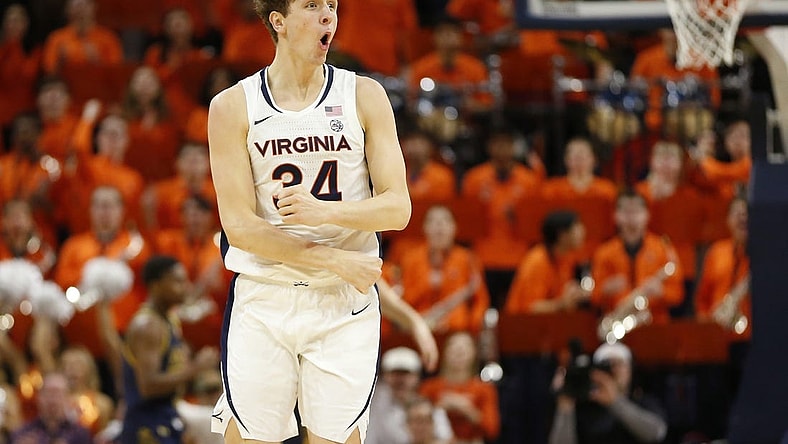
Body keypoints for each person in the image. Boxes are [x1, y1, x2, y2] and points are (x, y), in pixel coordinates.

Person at [206, 1, 411, 444]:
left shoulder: (364, 95)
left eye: (332, 6)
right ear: (277, 21)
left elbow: (398, 207)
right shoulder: (231, 106)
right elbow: (239, 227)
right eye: (313, 5)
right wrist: (333, 259)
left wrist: (326, 212)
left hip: (342, 305)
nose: (328, 16)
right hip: (266, 296)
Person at [120, 255, 219, 444]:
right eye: (177, 281)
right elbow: (148, 386)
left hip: (164, 414)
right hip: (146, 424)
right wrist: (195, 368)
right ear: (156, 285)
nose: (185, 286)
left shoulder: (168, 319)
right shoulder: (148, 326)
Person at [590, 190, 684, 327]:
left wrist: (661, 292)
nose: (631, 217)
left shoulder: (663, 249)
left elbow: (678, 294)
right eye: (626, 212)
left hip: (655, 324)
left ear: (647, 215)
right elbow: (594, 296)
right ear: (615, 216)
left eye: (637, 211)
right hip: (616, 323)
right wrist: (605, 290)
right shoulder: (604, 252)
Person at [549, 342, 668, 444]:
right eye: (606, 364)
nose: (613, 369)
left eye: (619, 364)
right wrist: (565, 406)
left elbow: (656, 433)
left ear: (630, 370)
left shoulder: (643, 401)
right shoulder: (584, 409)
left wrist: (615, 402)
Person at [397, 205, 489, 335]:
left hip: (457, 332)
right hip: (418, 331)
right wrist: (427, 285)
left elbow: (481, 301)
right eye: (433, 221)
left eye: (446, 221)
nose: (439, 226)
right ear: (424, 228)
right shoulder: (410, 260)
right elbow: (403, 302)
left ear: (455, 228)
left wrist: (472, 330)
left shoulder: (467, 259)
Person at [419, 331, 501, 444]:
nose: (459, 351)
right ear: (444, 352)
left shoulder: (484, 389)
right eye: (453, 347)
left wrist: (467, 410)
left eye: (465, 347)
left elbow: (492, 429)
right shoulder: (429, 387)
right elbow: (416, 421)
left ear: (474, 353)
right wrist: (439, 408)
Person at [505, 210, 588, 315]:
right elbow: (531, 308)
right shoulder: (537, 262)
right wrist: (562, 303)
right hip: (522, 325)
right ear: (562, 234)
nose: (583, 231)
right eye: (577, 227)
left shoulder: (567, 258)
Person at [367, 347, 453, 444]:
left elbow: (446, 439)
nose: (400, 381)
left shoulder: (431, 406)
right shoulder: (375, 407)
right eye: (394, 374)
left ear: (417, 376)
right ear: (385, 376)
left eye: (405, 374)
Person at [40, 0, 124, 75]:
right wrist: (60, 62)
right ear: (67, 10)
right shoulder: (56, 38)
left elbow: (116, 73)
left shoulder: (108, 37)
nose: (81, 9)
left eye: (84, 4)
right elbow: (49, 73)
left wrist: (98, 62)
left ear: (94, 6)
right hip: (66, 88)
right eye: (76, 5)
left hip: (98, 87)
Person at [10, 372, 92, 443]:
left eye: (58, 394)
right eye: (48, 393)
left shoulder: (80, 435)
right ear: (39, 397)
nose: (53, 400)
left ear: (68, 399)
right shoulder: (23, 433)